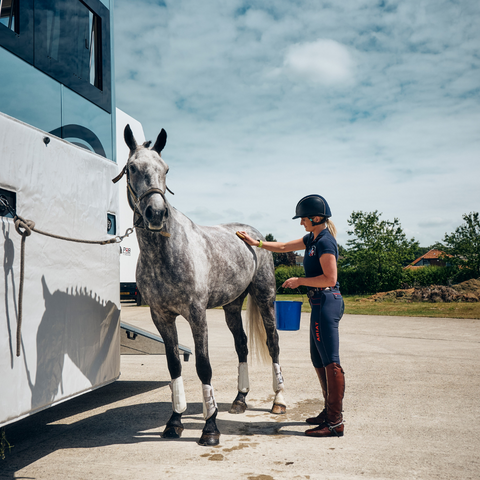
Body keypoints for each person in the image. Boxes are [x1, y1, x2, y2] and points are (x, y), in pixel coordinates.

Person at [237, 194, 345, 437]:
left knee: (331, 361)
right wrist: (258, 244)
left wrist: (300, 281)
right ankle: (328, 412)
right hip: (318, 302)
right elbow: (285, 247)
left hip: (327, 301)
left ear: (316, 218)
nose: (301, 223)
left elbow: (331, 278)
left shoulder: (326, 242)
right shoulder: (312, 238)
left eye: (304, 218)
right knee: (318, 359)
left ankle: (335, 422)